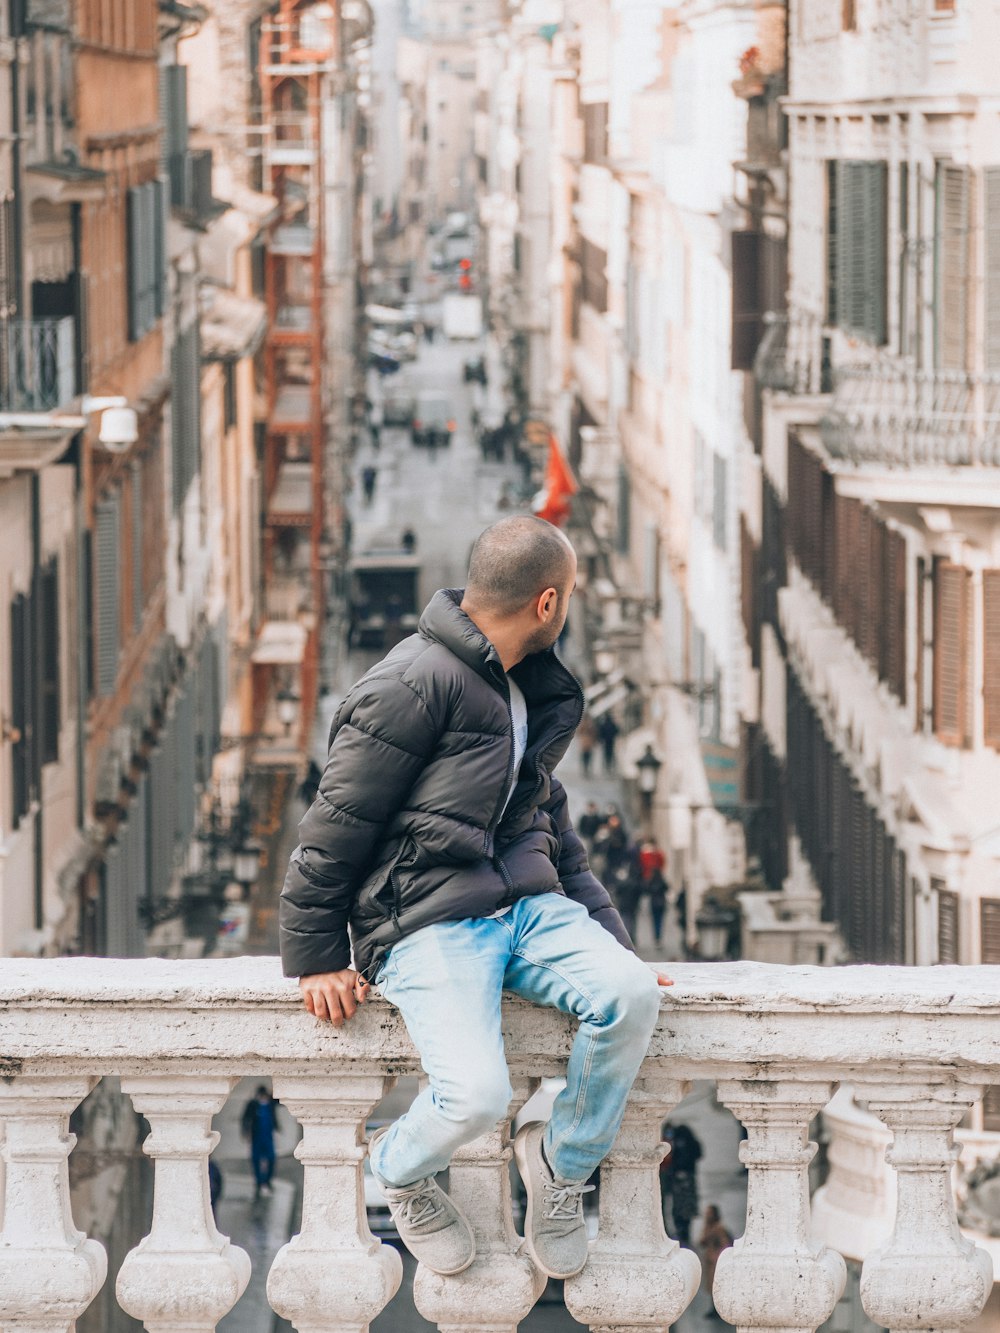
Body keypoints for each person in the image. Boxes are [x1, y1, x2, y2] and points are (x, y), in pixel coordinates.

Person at [280, 515, 671, 1282]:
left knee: (628, 995)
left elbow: (551, 825)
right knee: (477, 1095)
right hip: (425, 918)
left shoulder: (528, 682)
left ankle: (559, 1167)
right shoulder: (407, 684)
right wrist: (318, 955)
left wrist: (612, 944)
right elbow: (334, 824)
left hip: (524, 905)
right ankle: (397, 1169)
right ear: (549, 600)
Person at [659, 1121, 702, 1247]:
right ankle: (683, 1234)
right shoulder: (687, 1141)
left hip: (682, 1179)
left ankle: (682, 1234)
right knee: (681, 1208)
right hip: (684, 1178)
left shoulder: (682, 1141)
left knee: (680, 1209)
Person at [241, 1085, 281, 1198]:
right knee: (256, 1159)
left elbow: (280, 1101)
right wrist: (245, 1132)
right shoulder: (253, 1104)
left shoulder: (270, 1104)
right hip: (256, 1136)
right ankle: (259, 1181)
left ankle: (267, 1180)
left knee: (271, 1158)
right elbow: (245, 1118)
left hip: (268, 1136)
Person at [699, 1203, 733, 1319]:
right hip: (711, 1261)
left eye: (709, 1214)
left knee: (716, 1285)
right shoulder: (709, 1227)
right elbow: (701, 1241)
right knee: (712, 1286)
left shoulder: (719, 1228)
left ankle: (717, 1309)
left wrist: (718, 1256)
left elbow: (725, 1244)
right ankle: (715, 1308)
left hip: (715, 1262)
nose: (707, 1216)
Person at [576, 712, 597, 777]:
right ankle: (586, 770)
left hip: (586, 744)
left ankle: (586, 770)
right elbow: (579, 733)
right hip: (585, 744)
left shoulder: (590, 725)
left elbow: (594, 734)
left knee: (587, 758)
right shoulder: (586, 725)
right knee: (586, 758)